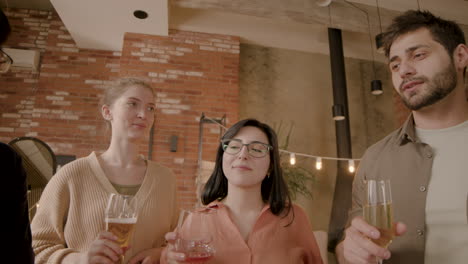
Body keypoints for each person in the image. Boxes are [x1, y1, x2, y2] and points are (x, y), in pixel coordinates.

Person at [335, 10, 468, 264]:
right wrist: (348, 252)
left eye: (418, 55)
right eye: (395, 65)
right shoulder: (375, 158)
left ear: (460, 56)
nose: (404, 70)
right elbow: (349, 245)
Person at [31, 78, 178, 264]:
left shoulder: (166, 179)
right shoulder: (71, 175)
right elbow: (36, 248)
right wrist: (82, 259)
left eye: (150, 108)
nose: (143, 114)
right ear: (107, 112)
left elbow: (174, 242)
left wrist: (161, 254)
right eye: (133, 104)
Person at [162, 119, 323, 264]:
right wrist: (169, 259)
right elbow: (172, 257)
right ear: (222, 159)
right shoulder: (195, 220)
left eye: (258, 149)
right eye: (234, 146)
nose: (243, 154)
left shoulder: (294, 218)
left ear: (271, 166)